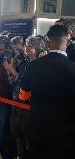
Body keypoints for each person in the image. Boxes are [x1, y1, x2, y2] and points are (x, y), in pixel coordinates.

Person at [19, 25, 75, 159]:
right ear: (67, 42)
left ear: (48, 42)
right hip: (66, 132)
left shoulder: (33, 66)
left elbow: (23, 96)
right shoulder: (73, 68)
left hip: (38, 127)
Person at [5, 36, 46, 159]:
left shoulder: (41, 65)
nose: (27, 48)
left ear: (38, 48)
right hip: (17, 99)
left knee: (28, 133)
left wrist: (13, 71)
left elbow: (27, 83)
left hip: (30, 104)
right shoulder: (23, 61)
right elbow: (17, 82)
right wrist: (11, 74)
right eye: (27, 45)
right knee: (16, 130)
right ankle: (20, 154)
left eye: (31, 46)